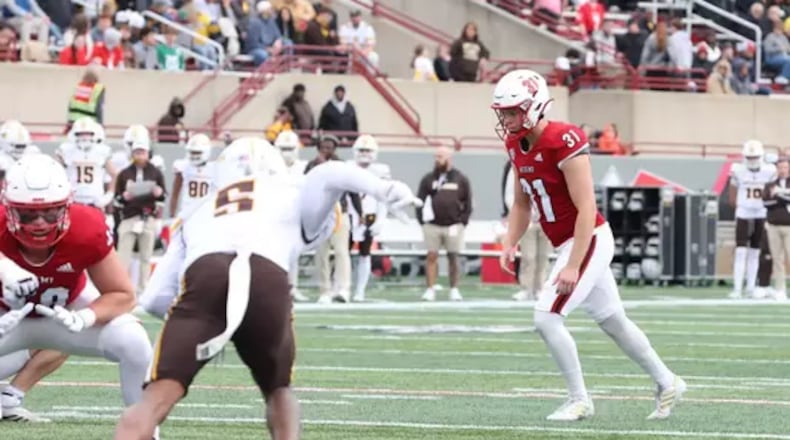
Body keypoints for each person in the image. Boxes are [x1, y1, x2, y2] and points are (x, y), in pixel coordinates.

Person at [122, 138, 420, 439]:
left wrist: (207, 321)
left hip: (206, 275)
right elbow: (330, 172)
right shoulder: (288, 192)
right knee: (279, 390)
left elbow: (154, 299)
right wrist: (384, 189)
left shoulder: (195, 213)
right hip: (267, 275)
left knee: (154, 399)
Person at [494, 69, 684, 421]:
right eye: (503, 112)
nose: (506, 119)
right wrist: (509, 242)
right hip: (569, 242)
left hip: (589, 238)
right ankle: (668, 380)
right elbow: (522, 203)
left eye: (512, 111)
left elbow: (586, 207)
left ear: (534, 107)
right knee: (613, 321)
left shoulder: (563, 138)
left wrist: (572, 264)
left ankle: (579, 399)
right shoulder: (514, 143)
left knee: (547, 319)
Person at [0, 154, 154, 431]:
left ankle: (142, 432)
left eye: (50, 212)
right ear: (9, 209)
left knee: (135, 341)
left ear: (66, 207)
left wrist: (86, 316)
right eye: (27, 213)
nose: (39, 223)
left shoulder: (86, 226)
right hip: (6, 321)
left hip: (65, 314)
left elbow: (123, 294)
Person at [728, 140, 776, 299]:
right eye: (750, 156)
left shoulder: (769, 170)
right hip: (743, 212)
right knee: (741, 251)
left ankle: (750, 286)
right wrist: (737, 205)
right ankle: (737, 287)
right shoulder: (738, 170)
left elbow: (771, 192)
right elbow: (732, 194)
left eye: (755, 156)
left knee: (755, 251)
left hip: (761, 212)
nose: (752, 160)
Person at [347, 134, 391, 302]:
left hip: (369, 216)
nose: (364, 153)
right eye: (361, 150)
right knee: (343, 254)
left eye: (368, 150)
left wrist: (380, 220)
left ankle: (360, 291)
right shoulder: (348, 167)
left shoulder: (381, 171)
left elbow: (384, 198)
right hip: (350, 216)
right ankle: (342, 288)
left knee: (365, 254)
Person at [274, 130, 308, 302]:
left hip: (295, 215)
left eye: (290, 148)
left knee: (294, 254)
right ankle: (276, 287)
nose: (286, 152)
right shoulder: (269, 166)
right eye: (283, 148)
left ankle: (292, 287)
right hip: (274, 215)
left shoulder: (303, 167)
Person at [55, 117, 118, 209]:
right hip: (73, 200)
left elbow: (115, 174)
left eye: (88, 133)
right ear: (74, 134)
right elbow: (54, 172)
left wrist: (109, 195)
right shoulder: (66, 150)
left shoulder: (101, 151)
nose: (84, 137)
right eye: (80, 134)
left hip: (95, 201)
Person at [169, 133, 215, 218]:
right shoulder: (183, 167)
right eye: (192, 152)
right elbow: (175, 194)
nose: (194, 155)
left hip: (205, 213)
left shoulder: (214, 168)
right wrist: (172, 215)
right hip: (187, 212)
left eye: (197, 152)